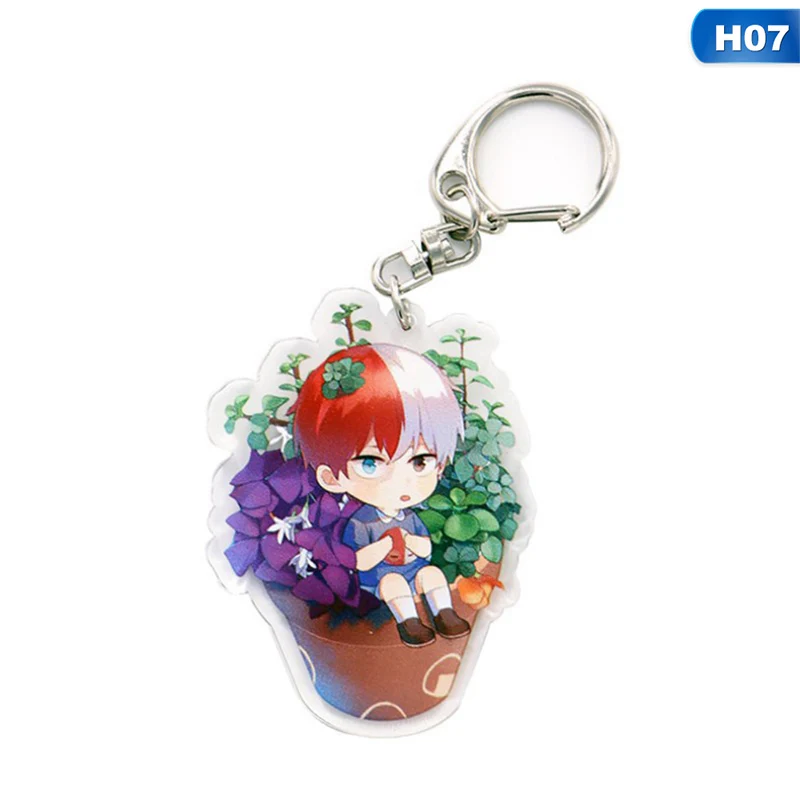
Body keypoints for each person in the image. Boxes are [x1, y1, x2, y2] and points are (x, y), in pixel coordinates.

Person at [292, 343, 471, 647]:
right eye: (370, 464)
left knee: (432, 575)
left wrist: (411, 542)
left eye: (420, 461)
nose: (403, 481)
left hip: (415, 569)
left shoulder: (410, 517)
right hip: (379, 579)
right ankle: (409, 622)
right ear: (331, 478)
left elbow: (425, 548)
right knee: (393, 583)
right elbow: (359, 561)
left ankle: (445, 613)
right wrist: (386, 545)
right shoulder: (361, 521)